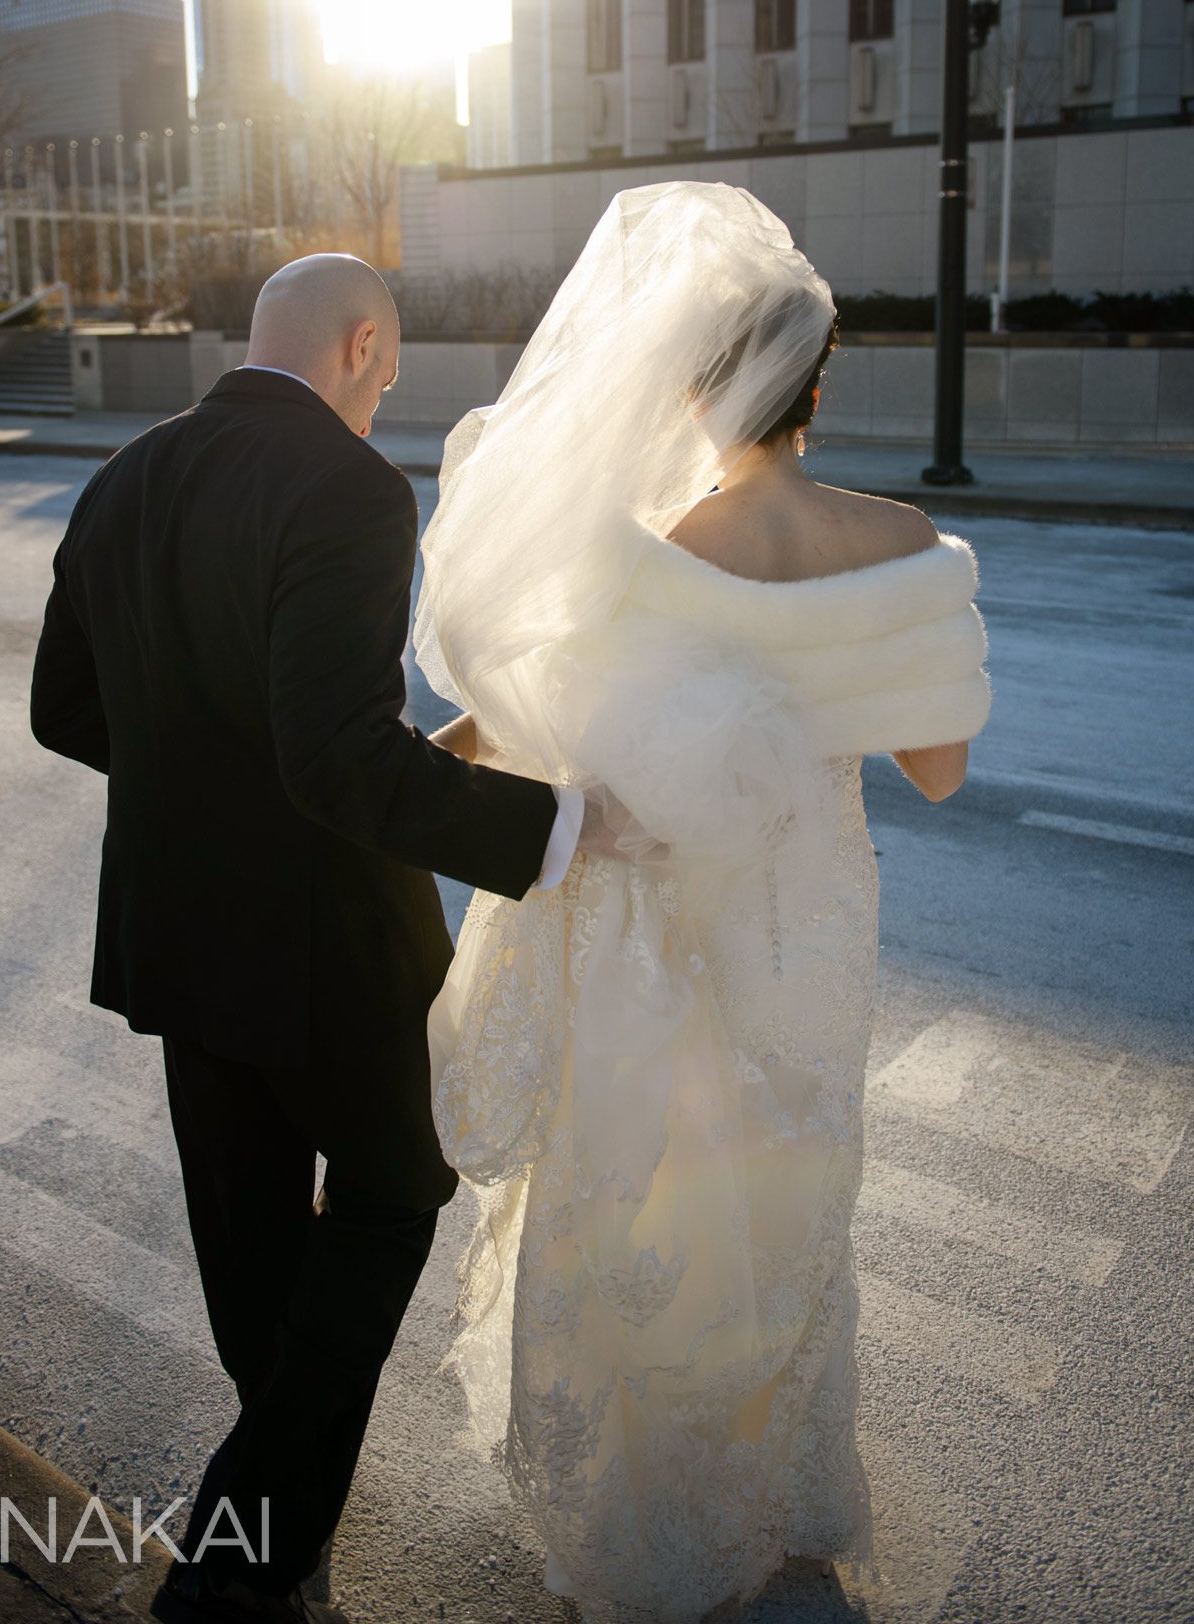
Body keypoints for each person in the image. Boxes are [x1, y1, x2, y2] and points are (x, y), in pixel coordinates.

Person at [418, 182, 991, 1624]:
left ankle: (656, 1506)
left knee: (662, 1197)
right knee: (796, 1183)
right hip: (814, 911)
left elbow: (534, 725)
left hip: (673, 924)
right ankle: (783, 1485)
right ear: (816, 385)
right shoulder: (907, 543)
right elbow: (938, 769)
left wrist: (407, 771)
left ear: (695, 383)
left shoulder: (662, 554)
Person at [29, 254, 597, 1624]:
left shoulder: (126, 478)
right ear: (357, 344)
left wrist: (226, 785)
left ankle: (279, 1532)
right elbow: (335, 762)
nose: (385, 393)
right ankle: (247, 1554)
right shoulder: (346, 490)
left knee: (250, 1235)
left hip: (178, 940)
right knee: (399, 1191)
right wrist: (560, 830)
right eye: (388, 367)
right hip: (329, 954)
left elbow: (65, 711)